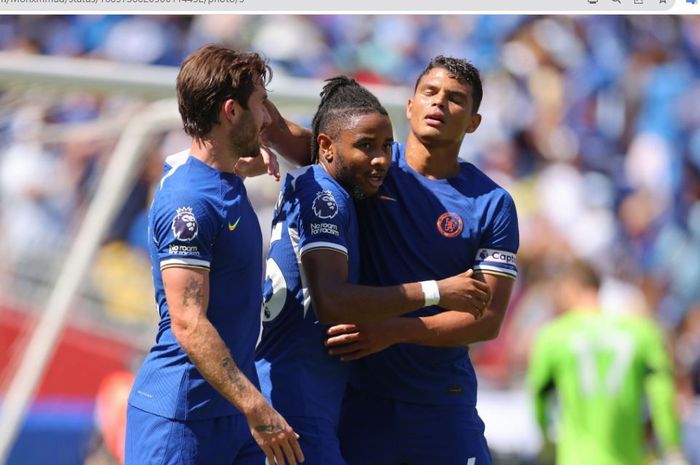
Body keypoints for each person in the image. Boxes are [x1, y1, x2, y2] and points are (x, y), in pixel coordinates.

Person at [255, 76, 491, 465]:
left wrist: (256, 132)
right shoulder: (329, 197)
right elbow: (332, 300)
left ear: (474, 121)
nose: (381, 158)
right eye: (367, 146)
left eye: (385, 146)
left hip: (322, 397)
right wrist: (436, 292)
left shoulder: (487, 202)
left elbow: (283, 131)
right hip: (300, 401)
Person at [322, 55, 519, 465]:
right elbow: (309, 143)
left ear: (473, 122)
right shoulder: (370, 166)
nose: (439, 104)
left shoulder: (491, 204)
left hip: (441, 404)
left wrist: (393, 331)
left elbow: (487, 318)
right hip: (360, 400)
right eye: (430, 92)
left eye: (455, 99)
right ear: (409, 105)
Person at [125, 45, 303, 465]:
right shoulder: (190, 202)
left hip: (232, 413)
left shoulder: (213, 177)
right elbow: (188, 323)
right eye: (260, 105)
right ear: (231, 111)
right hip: (183, 419)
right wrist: (257, 407)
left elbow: (194, 168)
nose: (267, 119)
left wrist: (242, 165)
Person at [528, 260, 687, 465]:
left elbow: (538, 397)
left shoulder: (553, 336)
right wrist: (672, 446)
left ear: (570, 288)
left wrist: (546, 439)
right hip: (629, 458)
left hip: (575, 458)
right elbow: (662, 396)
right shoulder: (642, 332)